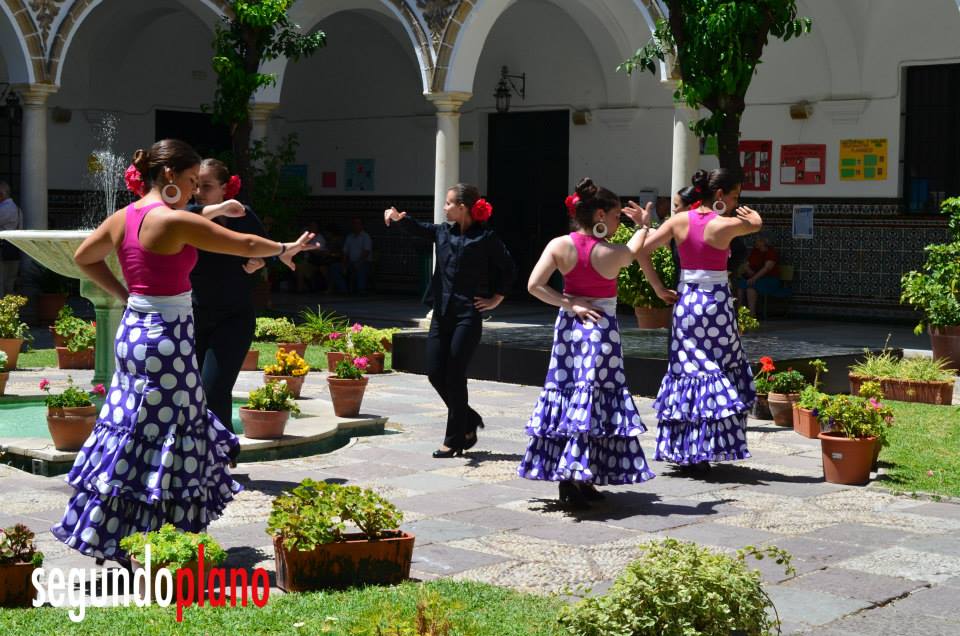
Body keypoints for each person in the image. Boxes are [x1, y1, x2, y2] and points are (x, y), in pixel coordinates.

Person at [51, 139, 316, 563]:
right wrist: (284, 249)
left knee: (135, 430)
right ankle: (161, 537)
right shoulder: (171, 222)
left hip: (135, 331)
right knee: (173, 433)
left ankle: (124, 535)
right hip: (167, 339)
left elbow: (85, 256)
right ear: (170, 175)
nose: (196, 189)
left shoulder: (125, 216)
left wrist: (123, 293)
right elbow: (244, 245)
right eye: (193, 180)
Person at [517, 178, 656, 507]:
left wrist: (571, 304)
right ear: (599, 215)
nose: (618, 221)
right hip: (600, 330)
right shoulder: (611, 252)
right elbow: (635, 248)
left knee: (570, 397)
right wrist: (645, 224)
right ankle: (577, 479)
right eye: (616, 215)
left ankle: (579, 477)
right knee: (592, 403)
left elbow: (534, 285)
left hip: (568, 329)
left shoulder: (559, 244)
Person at [637, 168, 762, 472]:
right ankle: (706, 448)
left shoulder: (679, 220)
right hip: (716, 303)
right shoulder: (725, 225)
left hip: (686, 303)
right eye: (734, 197)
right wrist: (751, 215)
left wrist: (656, 286)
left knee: (688, 371)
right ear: (719, 195)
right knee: (718, 371)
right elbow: (756, 224)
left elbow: (641, 250)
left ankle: (686, 448)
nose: (736, 204)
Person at [384, 184, 515, 458]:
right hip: (442, 314)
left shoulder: (485, 237)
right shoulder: (442, 232)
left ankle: (454, 440)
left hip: (467, 316)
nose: (444, 208)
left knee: (455, 375)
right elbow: (419, 228)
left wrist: (496, 298)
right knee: (435, 373)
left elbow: (508, 267)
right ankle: (468, 418)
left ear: (462, 207)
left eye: (448, 203)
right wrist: (399, 218)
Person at [189, 158, 291, 441]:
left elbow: (264, 248)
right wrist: (217, 209)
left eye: (207, 186)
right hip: (194, 316)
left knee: (214, 389)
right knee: (190, 392)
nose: (199, 192)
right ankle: (197, 456)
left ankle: (224, 455)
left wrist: (259, 261)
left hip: (234, 316)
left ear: (224, 188)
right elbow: (190, 215)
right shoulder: (187, 215)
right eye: (195, 185)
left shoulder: (244, 215)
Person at [736, 236, 780, 315]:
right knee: (740, 286)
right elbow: (747, 263)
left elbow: (766, 268)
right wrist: (748, 270)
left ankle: (752, 314)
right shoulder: (755, 251)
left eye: (757, 240)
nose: (755, 242)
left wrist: (754, 278)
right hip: (755, 278)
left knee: (751, 288)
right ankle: (738, 311)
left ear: (764, 242)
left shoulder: (771, 253)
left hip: (769, 280)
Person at [333, 217, 372, 294]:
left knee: (361, 268)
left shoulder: (366, 237)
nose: (355, 225)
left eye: (358, 223)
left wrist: (358, 262)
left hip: (364, 262)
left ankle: (361, 290)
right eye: (354, 223)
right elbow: (345, 252)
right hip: (350, 263)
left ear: (362, 225)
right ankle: (344, 290)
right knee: (335, 267)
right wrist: (344, 264)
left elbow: (366, 252)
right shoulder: (349, 237)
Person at [0, 181, 23, 295]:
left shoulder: (2, 209)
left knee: (2, 282)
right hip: (14, 249)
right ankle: (11, 310)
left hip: (2, 249)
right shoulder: (18, 210)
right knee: (10, 282)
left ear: (1, 194)